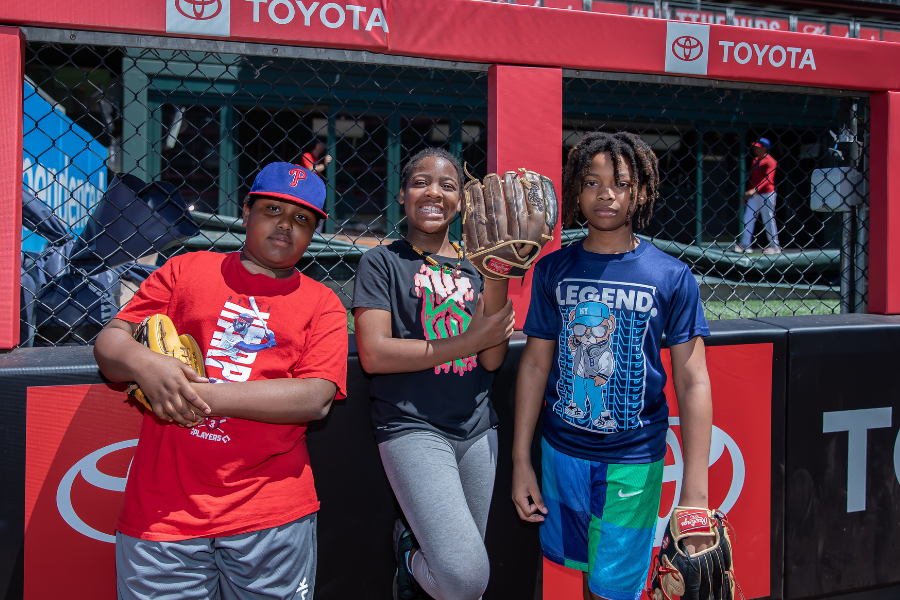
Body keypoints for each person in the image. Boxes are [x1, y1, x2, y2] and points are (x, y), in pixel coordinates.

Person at [93, 162, 348, 600]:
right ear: (246, 211)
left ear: (314, 233)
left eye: (302, 219)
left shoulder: (323, 302)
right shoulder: (186, 270)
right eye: (272, 210)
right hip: (164, 507)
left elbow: (315, 397)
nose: (285, 226)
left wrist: (197, 394)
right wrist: (145, 365)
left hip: (269, 509)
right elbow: (109, 345)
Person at [510, 132, 714, 600]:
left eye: (620, 183)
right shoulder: (552, 269)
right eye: (591, 181)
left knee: (614, 590)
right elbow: (536, 365)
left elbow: (692, 378)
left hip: (633, 460)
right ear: (575, 192)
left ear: (641, 192)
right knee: (587, 576)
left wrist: (695, 495)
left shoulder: (670, 274)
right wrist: (522, 459)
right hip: (561, 453)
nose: (605, 194)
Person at [352, 147, 515, 600]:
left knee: (456, 581)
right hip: (412, 426)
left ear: (461, 202)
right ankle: (408, 557)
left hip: (478, 429)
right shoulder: (381, 262)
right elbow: (375, 355)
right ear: (403, 194)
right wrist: (469, 340)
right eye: (421, 182)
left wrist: (498, 271)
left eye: (448, 185)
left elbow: (492, 360)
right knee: (464, 578)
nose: (434, 193)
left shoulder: (477, 268)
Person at [735, 137, 780, 254]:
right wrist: (748, 193)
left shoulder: (771, 161)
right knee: (748, 218)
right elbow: (753, 179)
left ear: (765, 148)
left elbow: (768, 179)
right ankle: (745, 245)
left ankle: (775, 246)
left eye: (758, 147)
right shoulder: (755, 160)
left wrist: (754, 190)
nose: (755, 148)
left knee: (768, 219)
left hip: (767, 194)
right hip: (755, 195)